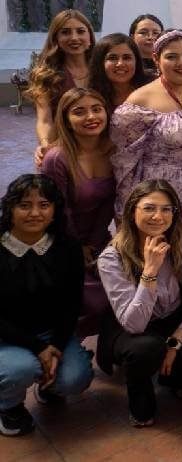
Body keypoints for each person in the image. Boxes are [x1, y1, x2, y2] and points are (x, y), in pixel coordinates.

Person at [96, 180, 182, 427]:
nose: (158, 216)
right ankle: (140, 398)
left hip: (174, 319)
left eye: (166, 209)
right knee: (146, 349)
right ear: (132, 210)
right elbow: (134, 324)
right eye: (149, 208)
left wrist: (175, 342)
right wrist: (150, 270)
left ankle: (175, 379)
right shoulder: (112, 257)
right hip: (131, 327)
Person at [112, 31, 182, 263]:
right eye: (172, 57)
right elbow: (124, 163)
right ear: (156, 59)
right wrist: (128, 212)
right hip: (164, 195)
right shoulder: (139, 102)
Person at [0, 175, 92, 436]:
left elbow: (72, 304)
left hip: (53, 334)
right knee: (20, 369)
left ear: (54, 210)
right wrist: (39, 348)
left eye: (43, 204)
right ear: (10, 209)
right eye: (24, 205)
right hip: (6, 336)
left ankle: (49, 385)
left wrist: (57, 346)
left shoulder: (68, 248)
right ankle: (9, 405)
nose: (34, 213)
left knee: (75, 379)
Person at [41, 89, 115, 336]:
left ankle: (107, 347)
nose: (91, 117)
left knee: (117, 293)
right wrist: (78, 248)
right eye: (79, 112)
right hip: (61, 240)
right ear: (65, 118)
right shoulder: (56, 158)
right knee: (89, 301)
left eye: (97, 109)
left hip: (97, 239)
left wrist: (93, 245)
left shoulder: (112, 151)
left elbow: (108, 204)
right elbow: (59, 211)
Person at [28, 10, 95, 167]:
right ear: (55, 38)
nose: (74, 38)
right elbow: (45, 120)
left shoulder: (102, 70)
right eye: (65, 32)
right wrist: (45, 144)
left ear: (90, 37)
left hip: (101, 148)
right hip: (66, 150)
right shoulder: (45, 76)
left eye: (80, 31)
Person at [87, 33, 152, 110]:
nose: (120, 64)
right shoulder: (91, 97)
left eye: (126, 58)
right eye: (112, 58)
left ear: (136, 61)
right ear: (100, 63)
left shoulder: (154, 86)